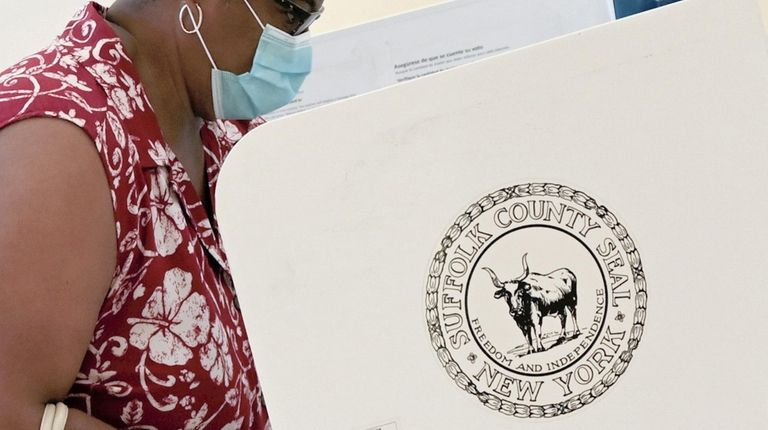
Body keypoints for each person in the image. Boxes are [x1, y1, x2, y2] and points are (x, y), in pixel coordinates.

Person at [0, 0, 323, 428]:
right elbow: (9, 411)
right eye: (293, 14)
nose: (297, 44)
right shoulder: (59, 137)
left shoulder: (228, 129)